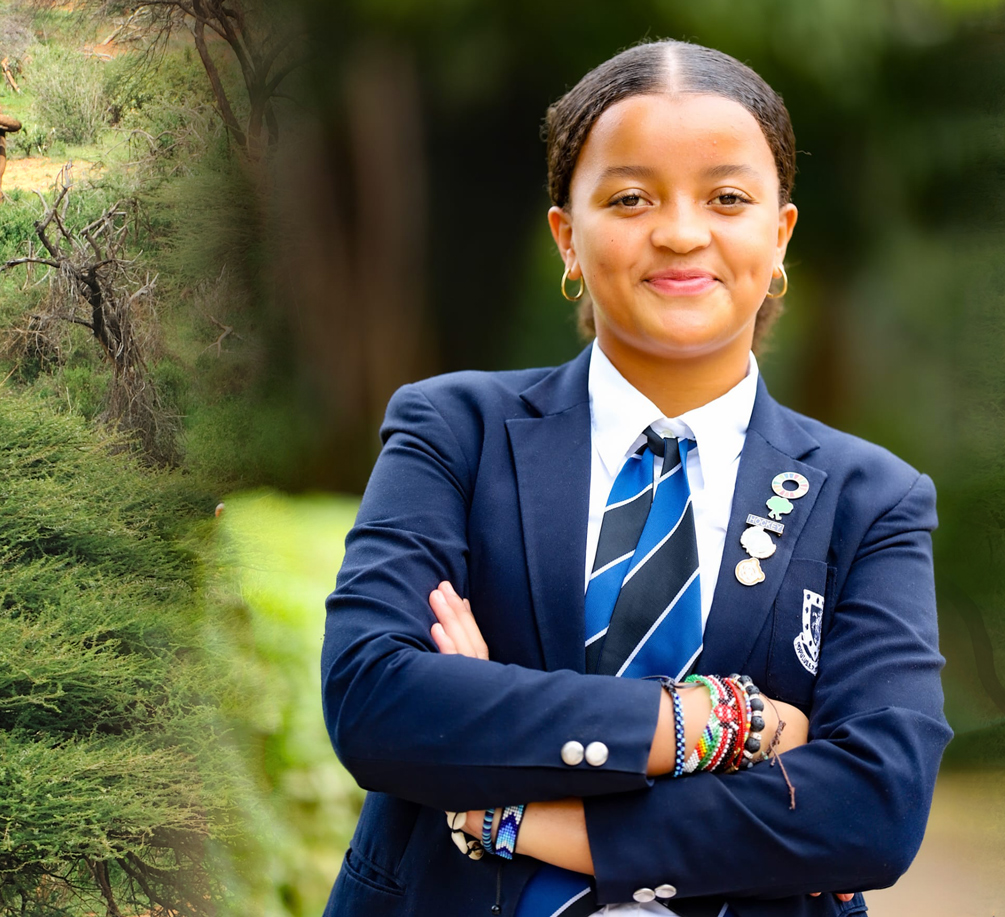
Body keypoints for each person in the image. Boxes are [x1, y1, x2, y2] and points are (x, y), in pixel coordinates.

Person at [320, 39, 951, 917]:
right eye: (630, 197)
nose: (682, 231)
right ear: (567, 235)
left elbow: (874, 808)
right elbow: (375, 699)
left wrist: (508, 807)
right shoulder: (451, 431)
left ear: (779, 237)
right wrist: (726, 724)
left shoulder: (871, 498)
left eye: (727, 197)